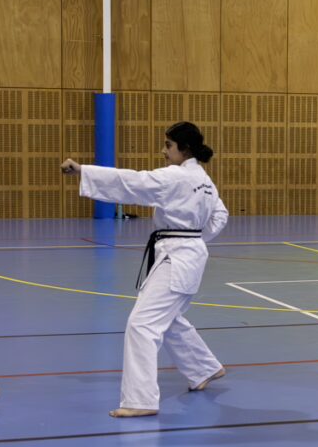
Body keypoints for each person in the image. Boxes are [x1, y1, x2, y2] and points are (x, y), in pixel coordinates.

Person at [61, 121, 228, 417]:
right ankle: (203, 368)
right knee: (170, 318)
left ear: (184, 148)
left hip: (178, 256)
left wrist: (83, 171)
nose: (163, 151)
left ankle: (140, 400)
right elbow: (220, 216)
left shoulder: (175, 177)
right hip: (186, 253)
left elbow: (132, 182)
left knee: (142, 324)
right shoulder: (204, 180)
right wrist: (195, 238)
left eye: (168, 145)